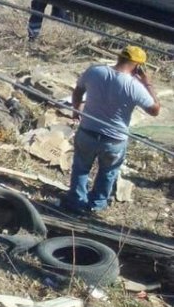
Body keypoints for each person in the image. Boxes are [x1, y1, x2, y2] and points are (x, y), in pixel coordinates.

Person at [62, 47, 160, 213]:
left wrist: (76, 110)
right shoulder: (135, 86)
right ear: (138, 66)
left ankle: (76, 203)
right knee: (107, 173)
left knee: (81, 168)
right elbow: (155, 110)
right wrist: (147, 83)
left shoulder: (95, 71)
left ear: (119, 57)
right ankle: (96, 206)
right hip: (114, 140)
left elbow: (78, 91)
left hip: (87, 131)